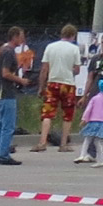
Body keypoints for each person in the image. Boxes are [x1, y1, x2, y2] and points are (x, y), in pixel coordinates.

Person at [0, 37, 33, 165]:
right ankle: (2, 154)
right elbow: (3, 75)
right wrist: (20, 81)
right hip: (1, 94)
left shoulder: (0, 57)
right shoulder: (6, 54)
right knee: (4, 126)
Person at [35, 23, 83, 152]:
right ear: (73, 35)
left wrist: (41, 86)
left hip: (52, 83)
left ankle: (42, 142)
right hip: (68, 84)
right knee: (67, 114)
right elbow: (77, 69)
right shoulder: (74, 49)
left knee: (47, 113)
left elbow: (44, 68)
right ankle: (63, 144)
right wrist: (69, 69)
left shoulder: (50, 47)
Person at [76, 79, 103, 166]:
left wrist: (84, 119)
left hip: (93, 122)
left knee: (88, 139)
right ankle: (101, 159)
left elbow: (88, 110)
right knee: (98, 142)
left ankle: (85, 155)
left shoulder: (95, 98)